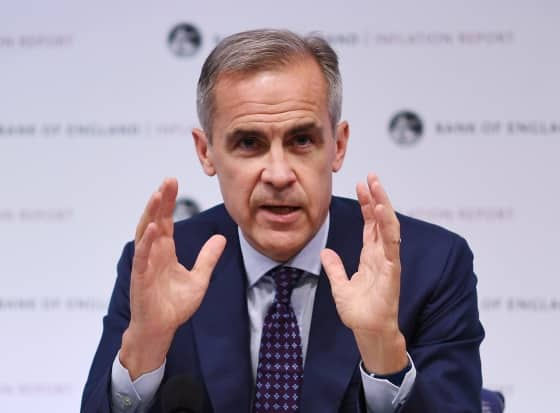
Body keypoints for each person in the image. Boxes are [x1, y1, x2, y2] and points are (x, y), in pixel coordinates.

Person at [82, 29, 484, 413]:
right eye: (249, 143)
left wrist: (383, 350)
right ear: (206, 152)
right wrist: (146, 347)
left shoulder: (431, 264)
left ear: (338, 146)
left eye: (302, 140)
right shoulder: (163, 264)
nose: (278, 174)